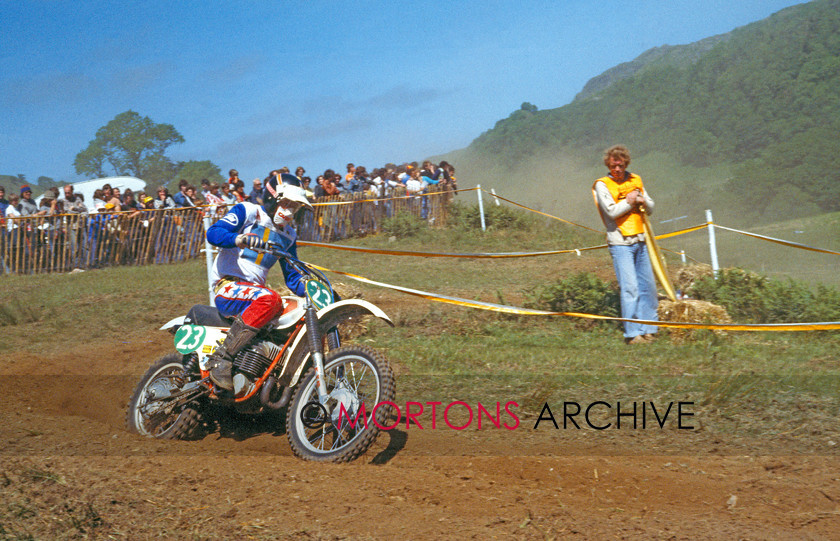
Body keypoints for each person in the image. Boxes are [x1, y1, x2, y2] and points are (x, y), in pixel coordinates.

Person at [204, 176, 313, 391]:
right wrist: (239, 239)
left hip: (254, 294)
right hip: (228, 286)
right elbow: (213, 233)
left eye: (295, 207)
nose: (290, 212)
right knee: (270, 298)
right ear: (273, 198)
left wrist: (316, 290)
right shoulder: (249, 212)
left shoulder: (289, 235)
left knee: (296, 313)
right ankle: (221, 359)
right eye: (287, 204)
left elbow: (292, 276)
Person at [593, 145, 658, 344]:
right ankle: (632, 333)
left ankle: (649, 329)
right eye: (614, 166)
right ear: (608, 165)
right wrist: (631, 201)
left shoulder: (635, 180)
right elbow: (611, 211)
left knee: (648, 287)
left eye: (621, 165)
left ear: (626, 163)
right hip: (620, 242)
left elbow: (651, 206)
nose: (618, 170)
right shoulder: (602, 185)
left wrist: (641, 199)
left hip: (640, 239)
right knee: (630, 287)